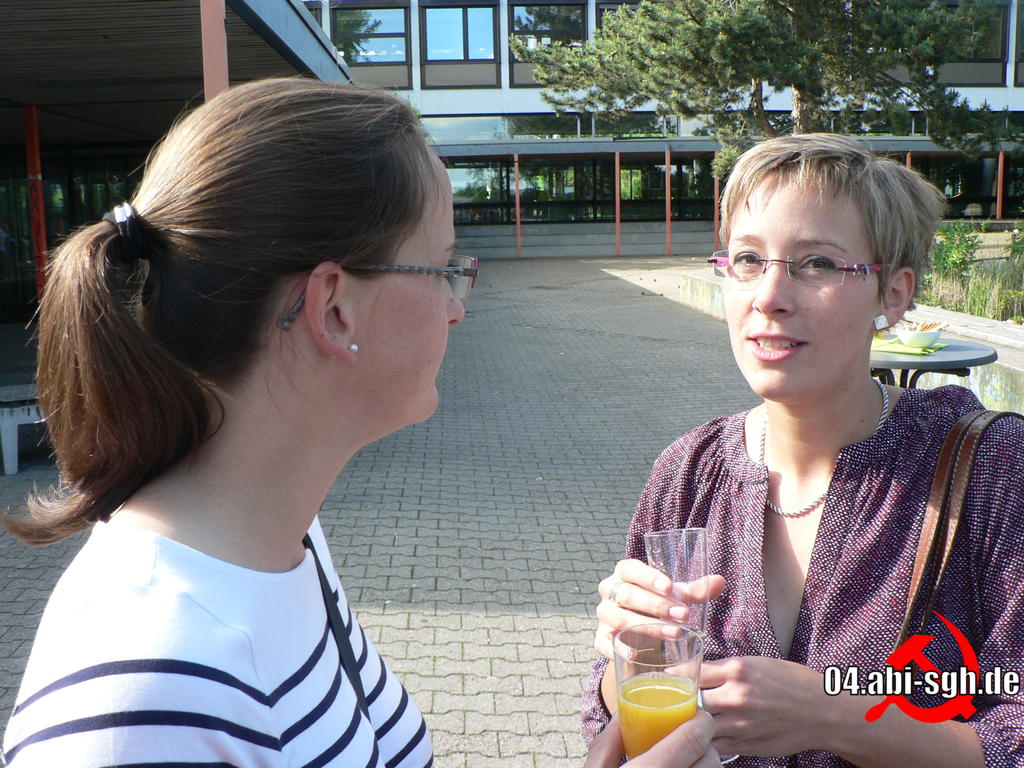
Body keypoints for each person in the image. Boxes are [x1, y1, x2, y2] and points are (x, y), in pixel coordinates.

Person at [0, 78, 718, 768]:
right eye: (442, 268)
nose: (457, 307)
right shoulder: (140, 699)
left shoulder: (283, 541)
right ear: (335, 309)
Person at [582, 133, 1024, 767]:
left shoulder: (993, 469)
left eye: (816, 263)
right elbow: (609, 707)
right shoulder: (689, 470)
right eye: (748, 259)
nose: (769, 296)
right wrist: (629, 660)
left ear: (893, 294)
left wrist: (837, 716)